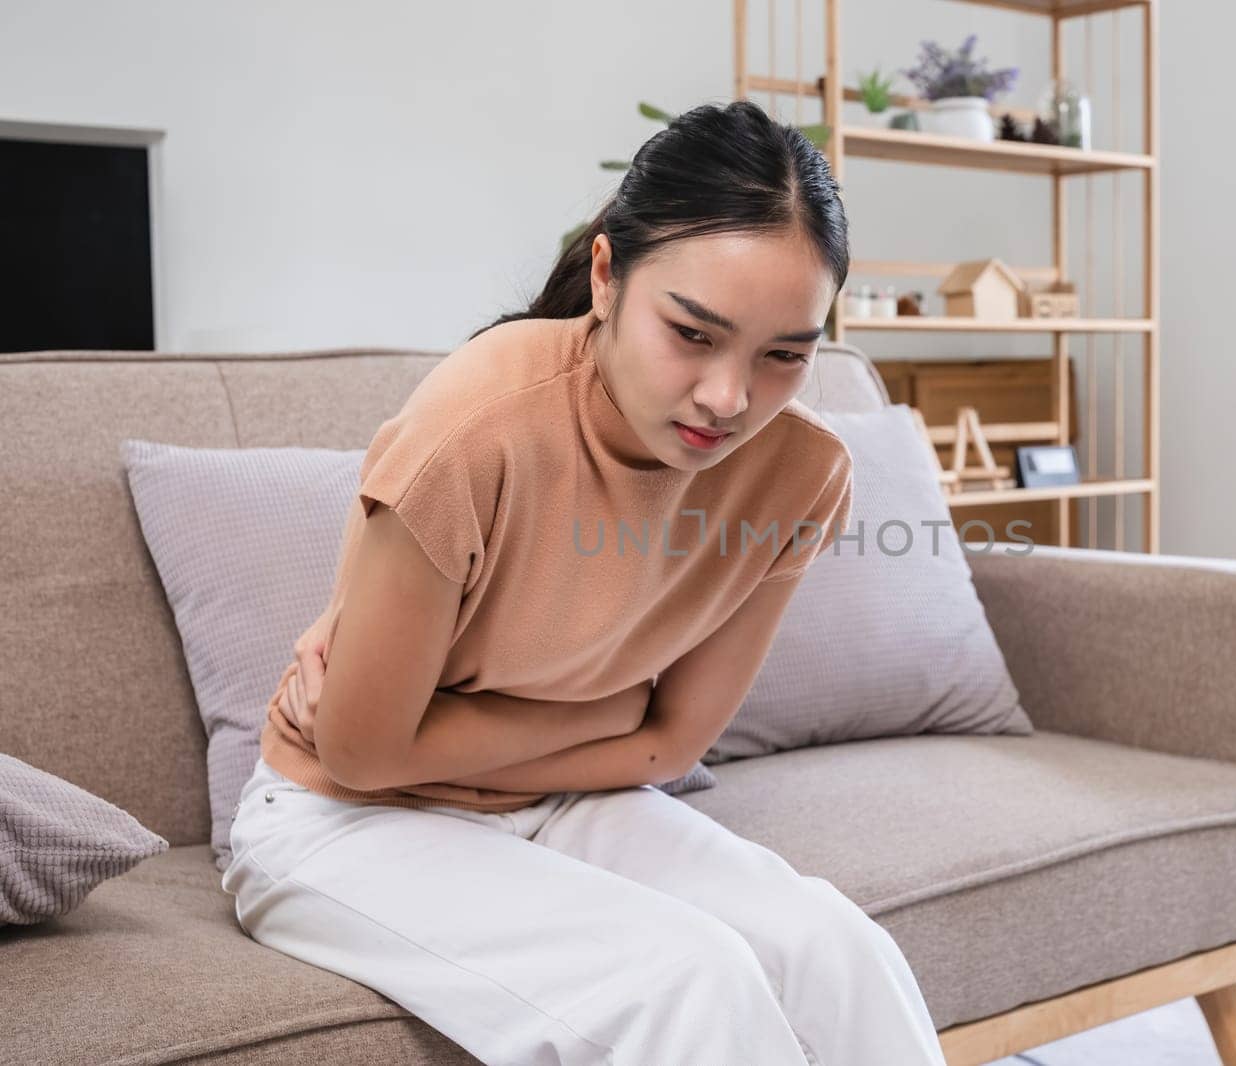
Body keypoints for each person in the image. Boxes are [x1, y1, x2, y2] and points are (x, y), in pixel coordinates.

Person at [220, 100, 948, 1066]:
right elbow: (356, 752)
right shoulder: (478, 427)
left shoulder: (801, 473)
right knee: (688, 982)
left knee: (834, 949)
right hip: (342, 821)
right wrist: (616, 721)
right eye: (692, 333)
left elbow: (675, 742)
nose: (729, 399)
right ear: (607, 276)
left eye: (784, 355)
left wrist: (608, 735)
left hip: (560, 799)